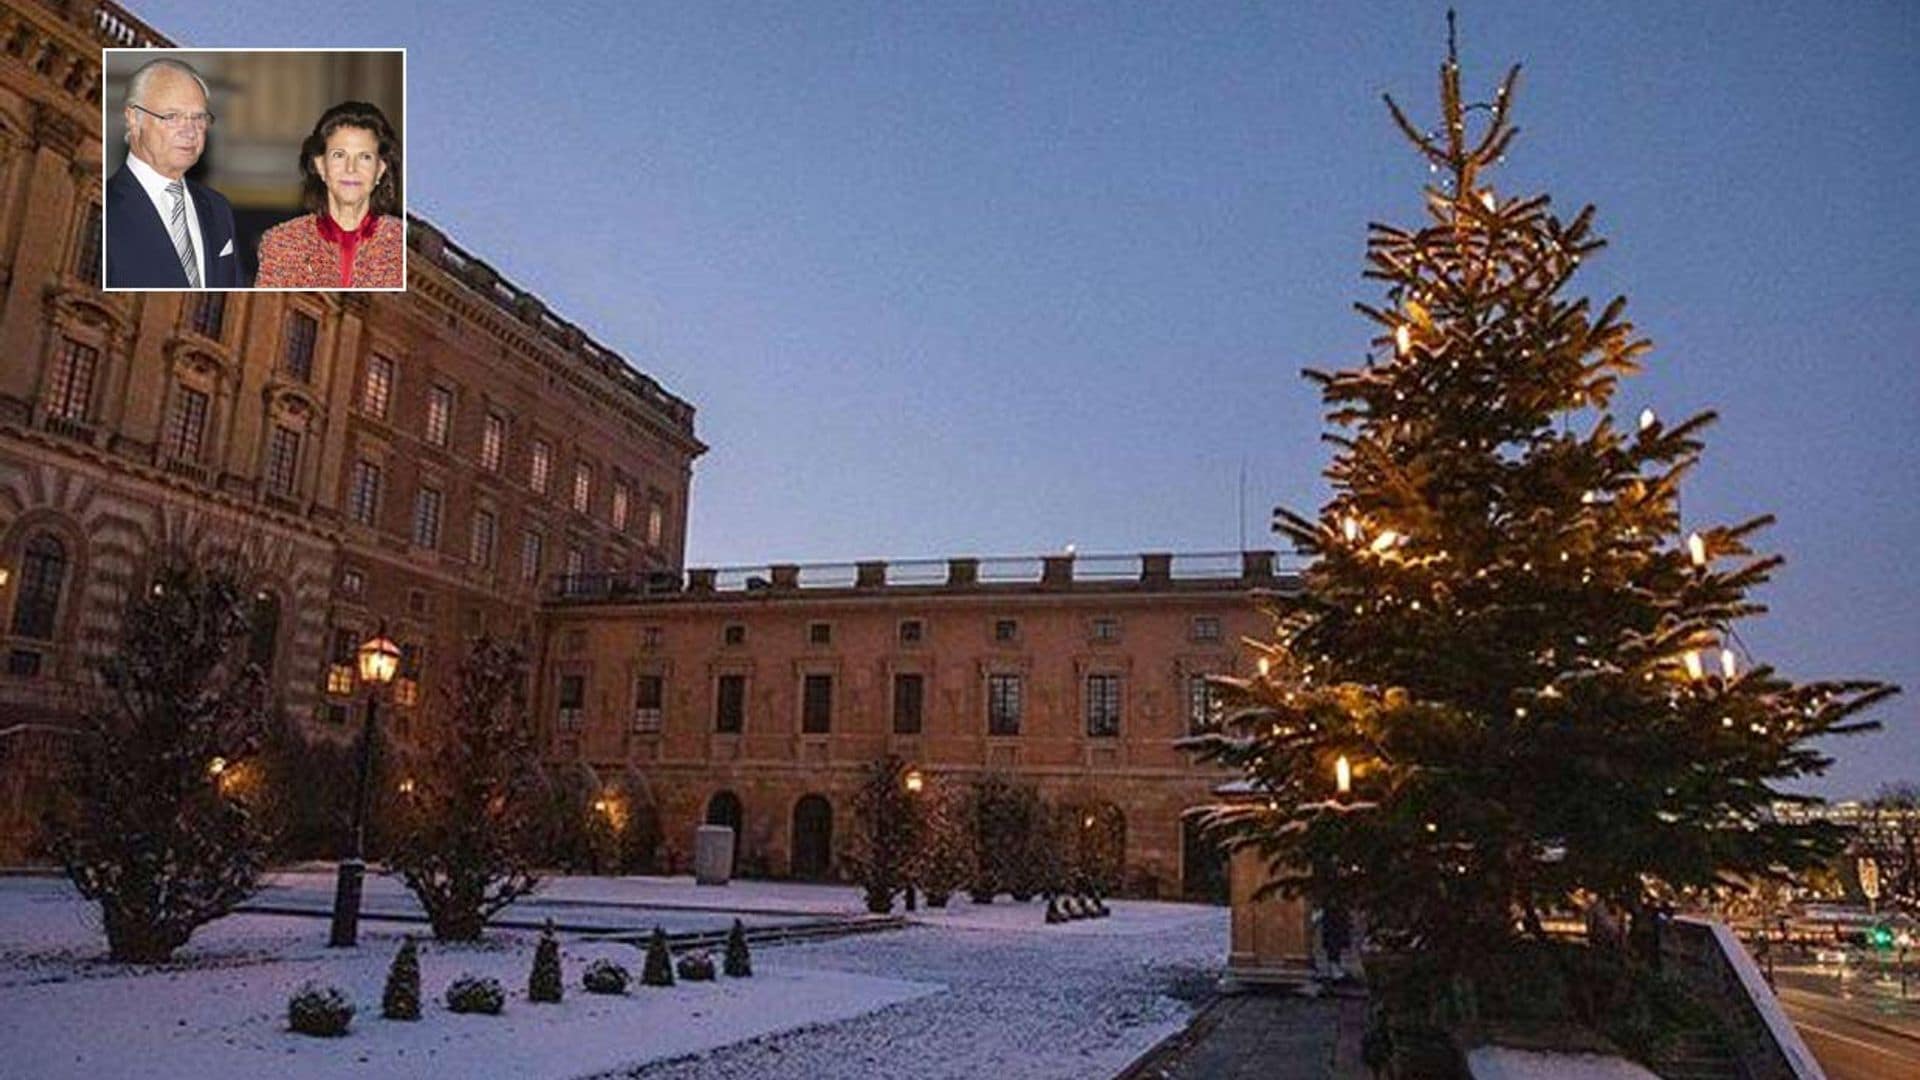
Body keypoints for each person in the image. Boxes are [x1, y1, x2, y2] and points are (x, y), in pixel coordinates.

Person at [105, 58, 242, 289]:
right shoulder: (103, 204)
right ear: (133, 119)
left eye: (198, 118)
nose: (190, 131)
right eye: (171, 117)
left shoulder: (217, 208)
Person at [255, 101, 404, 289]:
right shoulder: (282, 243)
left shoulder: (401, 246)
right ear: (320, 166)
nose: (351, 168)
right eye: (339, 155)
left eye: (365, 157)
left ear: (380, 169)